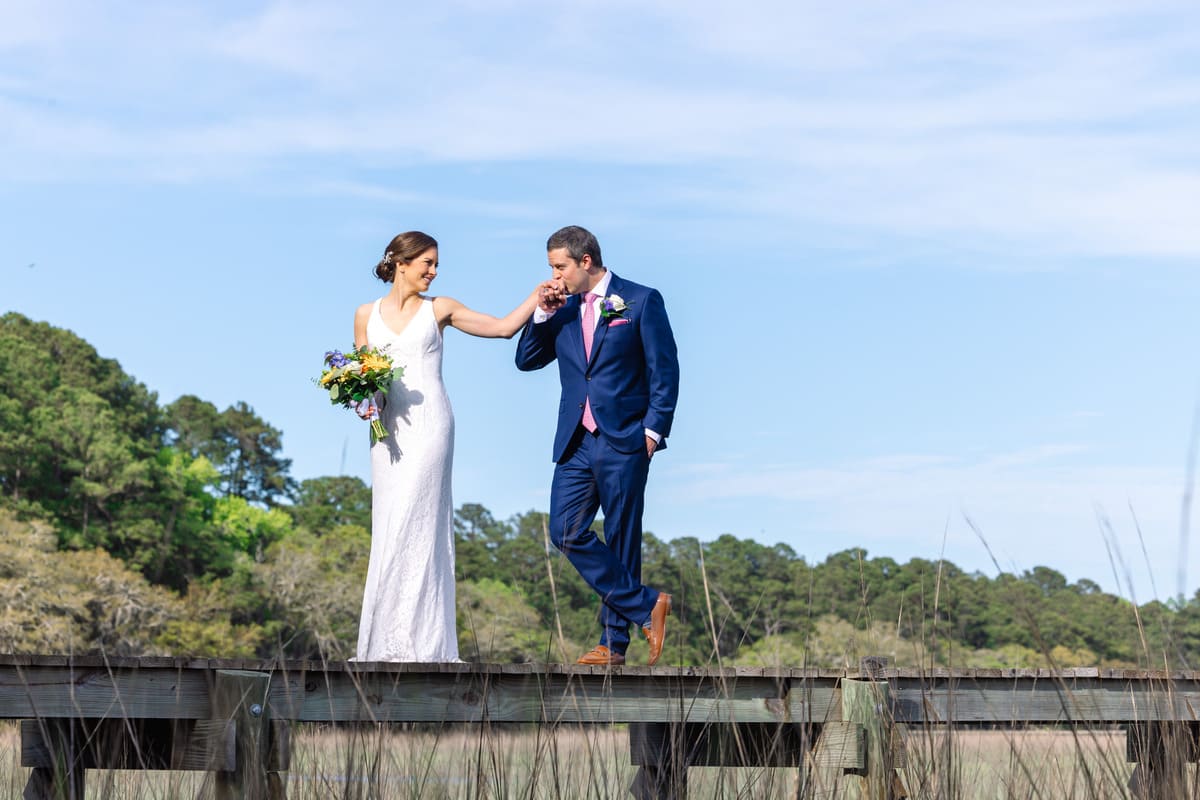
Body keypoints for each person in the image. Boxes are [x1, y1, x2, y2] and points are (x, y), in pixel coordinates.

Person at [353, 230, 548, 662]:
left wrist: (537, 296)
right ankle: (385, 641)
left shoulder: (440, 309)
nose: (434, 271)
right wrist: (365, 402)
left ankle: (423, 645)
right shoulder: (365, 315)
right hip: (387, 433)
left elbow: (500, 329)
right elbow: (369, 382)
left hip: (430, 427)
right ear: (401, 263)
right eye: (427, 263)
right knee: (389, 523)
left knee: (417, 519)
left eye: (436, 263)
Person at [515, 225, 680, 666]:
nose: (554, 276)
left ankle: (613, 645)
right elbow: (526, 361)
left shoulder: (641, 300)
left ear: (584, 261)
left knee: (622, 537)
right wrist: (544, 314)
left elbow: (665, 370)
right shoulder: (562, 308)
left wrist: (652, 431)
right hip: (575, 441)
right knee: (565, 530)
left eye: (559, 267)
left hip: (625, 437)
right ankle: (647, 606)